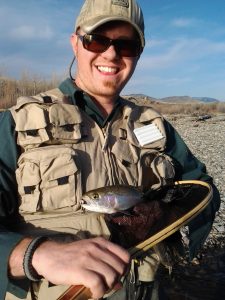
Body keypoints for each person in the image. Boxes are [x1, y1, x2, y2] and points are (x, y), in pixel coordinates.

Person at [0, 0, 220, 299]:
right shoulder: (16, 123)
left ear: (138, 54)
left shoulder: (155, 125)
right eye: (97, 40)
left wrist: (165, 214)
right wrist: (33, 254)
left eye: (126, 45)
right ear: (75, 42)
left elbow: (202, 189)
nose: (112, 54)